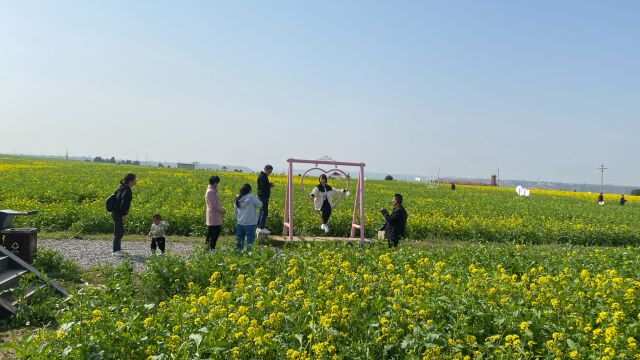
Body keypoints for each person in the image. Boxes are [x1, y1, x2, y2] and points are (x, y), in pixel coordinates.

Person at [112, 173, 137, 256]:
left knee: (119, 231)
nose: (136, 181)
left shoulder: (121, 187)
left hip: (115, 212)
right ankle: (116, 251)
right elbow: (124, 205)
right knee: (119, 232)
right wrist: (124, 216)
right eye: (134, 180)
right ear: (130, 181)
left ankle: (118, 249)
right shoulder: (128, 191)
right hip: (119, 214)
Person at [234, 183, 262, 251]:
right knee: (250, 242)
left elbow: (235, 210)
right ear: (250, 190)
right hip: (250, 223)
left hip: (240, 223)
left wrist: (237, 218)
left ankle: (238, 255)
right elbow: (260, 205)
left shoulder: (237, 197)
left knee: (239, 242)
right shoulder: (251, 197)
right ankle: (249, 256)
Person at [205, 176, 225, 250]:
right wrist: (221, 210)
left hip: (215, 215)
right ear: (215, 183)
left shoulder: (212, 190)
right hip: (213, 215)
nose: (218, 184)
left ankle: (209, 248)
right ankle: (210, 248)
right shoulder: (210, 191)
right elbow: (213, 205)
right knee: (214, 233)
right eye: (217, 182)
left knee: (212, 232)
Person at [256, 165, 274, 235]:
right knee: (264, 212)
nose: (270, 173)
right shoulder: (262, 176)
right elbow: (264, 187)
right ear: (265, 169)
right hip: (263, 196)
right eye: (269, 171)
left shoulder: (263, 176)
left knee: (262, 211)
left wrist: (269, 184)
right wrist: (270, 185)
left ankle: (259, 226)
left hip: (262, 196)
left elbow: (264, 186)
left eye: (271, 171)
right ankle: (261, 227)